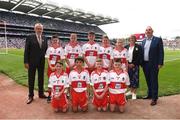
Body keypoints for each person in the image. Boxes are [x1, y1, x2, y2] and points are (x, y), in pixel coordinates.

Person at [24, 23, 48, 104]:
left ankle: (41, 94)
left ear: (42, 30)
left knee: (41, 78)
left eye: (40, 28)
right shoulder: (30, 37)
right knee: (31, 78)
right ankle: (31, 95)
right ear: (35, 29)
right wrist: (26, 61)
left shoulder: (45, 38)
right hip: (32, 62)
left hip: (41, 62)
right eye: (37, 28)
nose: (39, 30)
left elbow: (45, 50)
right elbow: (26, 50)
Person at [142, 26, 164, 106]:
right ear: (145, 32)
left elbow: (161, 52)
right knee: (148, 80)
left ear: (152, 31)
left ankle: (154, 98)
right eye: (147, 30)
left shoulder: (157, 40)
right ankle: (150, 94)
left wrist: (160, 63)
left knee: (154, 81)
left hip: (154, 64)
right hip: (145, 64)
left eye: (149, 30)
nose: (148, 31)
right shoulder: (143, 41)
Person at [45, 35, 65, 103]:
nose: (55, 41)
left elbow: (62, 60)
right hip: (50, 67)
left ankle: (59, 95)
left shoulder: (61, 49)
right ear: (51, 41)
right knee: (50, 82)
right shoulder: (49, 49)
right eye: (54, 40)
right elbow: (48, 58)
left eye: (56, 40)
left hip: (58, 67)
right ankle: (50, 95)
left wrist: (57, 67)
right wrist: (50, 66)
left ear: (58, 40)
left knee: (59, 81)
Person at [125, 35, 142, 100]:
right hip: (128, 65)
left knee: (135, 79)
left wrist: (134, 64)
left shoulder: (138, 47)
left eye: (133, 38)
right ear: (129, 39)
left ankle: (134, 93)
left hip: (135, 65)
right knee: (129, 78)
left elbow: (139, 57)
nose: (131, 39)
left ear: (135, 40)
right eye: (130, 38)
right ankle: (131, 91)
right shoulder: (126, 47)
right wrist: (128, 64)